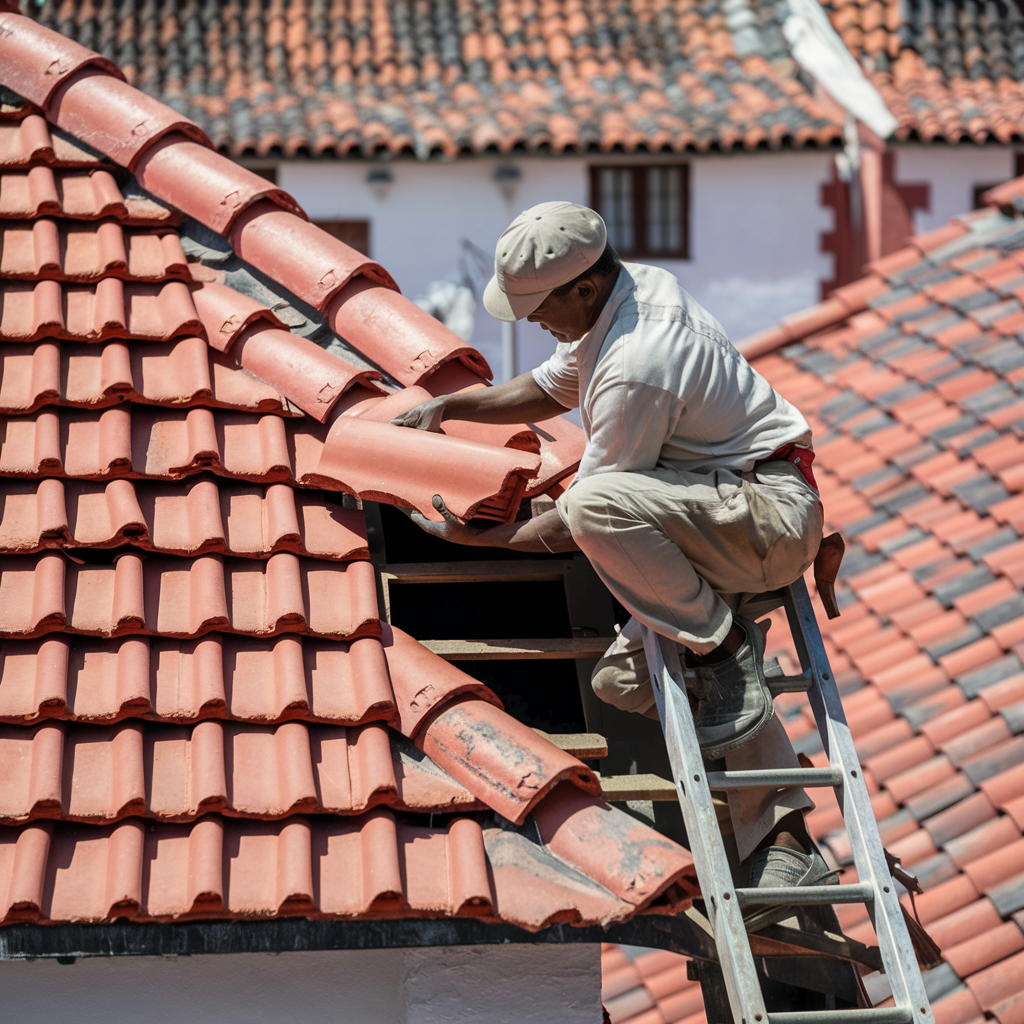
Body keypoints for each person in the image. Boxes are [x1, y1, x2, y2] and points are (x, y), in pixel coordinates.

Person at [391, 201, 836, 929]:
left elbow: (581, 520)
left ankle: (724, 652)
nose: (532, 320)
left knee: (597, 504)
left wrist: (480, 541)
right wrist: (452, 409)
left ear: (585, 289)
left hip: (763, 517)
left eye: (539, 307)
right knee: (622, 683)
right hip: (713, 510)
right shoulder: (625, 299)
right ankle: (784, 838)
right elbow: (548, 385)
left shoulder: (640, 362)